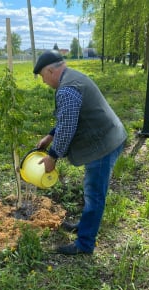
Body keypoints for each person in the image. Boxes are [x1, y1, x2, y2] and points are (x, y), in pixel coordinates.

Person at [34, 50, 127, 255]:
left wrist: (53, 156)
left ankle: (84, 244)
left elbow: (68, 127)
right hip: (110, 135)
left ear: (50, 71)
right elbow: (67, 117)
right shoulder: (73, 77)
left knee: (94, 194)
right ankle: (85, 225)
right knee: (91, 189)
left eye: (42, 76)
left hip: (104, 144)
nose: (44, 82)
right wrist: (50, 136)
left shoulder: (67, 89)